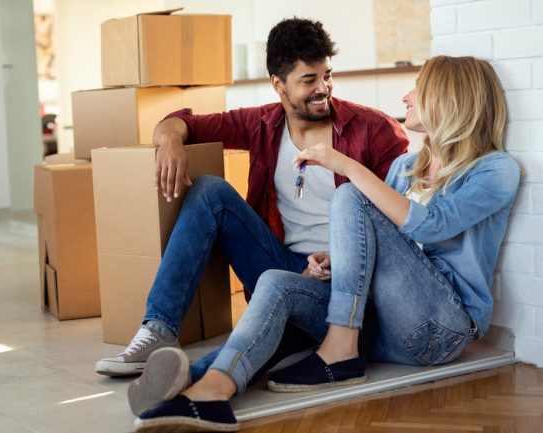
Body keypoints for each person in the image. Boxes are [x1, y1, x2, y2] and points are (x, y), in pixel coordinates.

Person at [132, 55, 521, 433]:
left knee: (351, 196)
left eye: (418, 89)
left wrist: (348, 166)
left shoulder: (495, 169)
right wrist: (337, 260)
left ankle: (338, 351)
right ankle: (209, 390)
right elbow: (388, 243)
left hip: (441, 329)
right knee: (276, 282)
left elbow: (431, 225)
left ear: (449, 98)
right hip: (381, 327)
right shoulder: (407, 167)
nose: (406, 96)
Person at [95, 17, 409, 387]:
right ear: (278, 84)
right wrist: (170, 141)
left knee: (265, 342)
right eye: (309, 80)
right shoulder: (263, 123)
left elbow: (398, 227)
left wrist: (338, 262)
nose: (322, 88)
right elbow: (181, 121)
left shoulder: (374, 130)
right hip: (282, 268)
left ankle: (188, 381)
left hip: (346, 284)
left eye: (327, 75)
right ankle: (158, 329)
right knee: (210, 191)